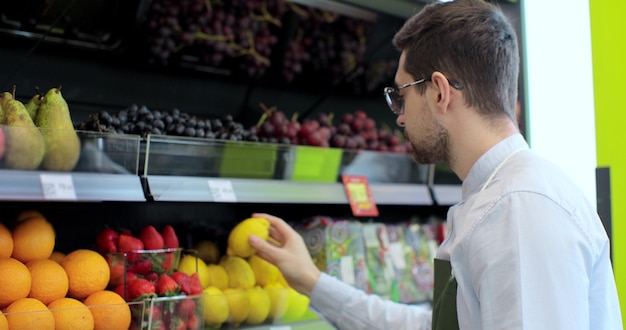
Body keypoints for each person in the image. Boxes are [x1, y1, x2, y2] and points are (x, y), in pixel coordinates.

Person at [248, 0, 623, 329]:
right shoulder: (500, 196)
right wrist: (312, 282)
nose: (399, 117)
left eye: (401, 95)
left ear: (441, 92)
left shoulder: (519, 208)